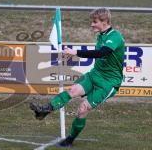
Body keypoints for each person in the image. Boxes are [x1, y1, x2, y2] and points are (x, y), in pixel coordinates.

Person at [30, 8, 125, 147]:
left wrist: (76, 52)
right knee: (73, 90)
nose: (92, 24)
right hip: (94, 75)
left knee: (83, 109)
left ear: (105, 22)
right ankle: (44, 110)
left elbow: (102, 53)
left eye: (95, 22)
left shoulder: (115, 36)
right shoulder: (101, 35)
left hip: (109, 83)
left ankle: (70, 140)